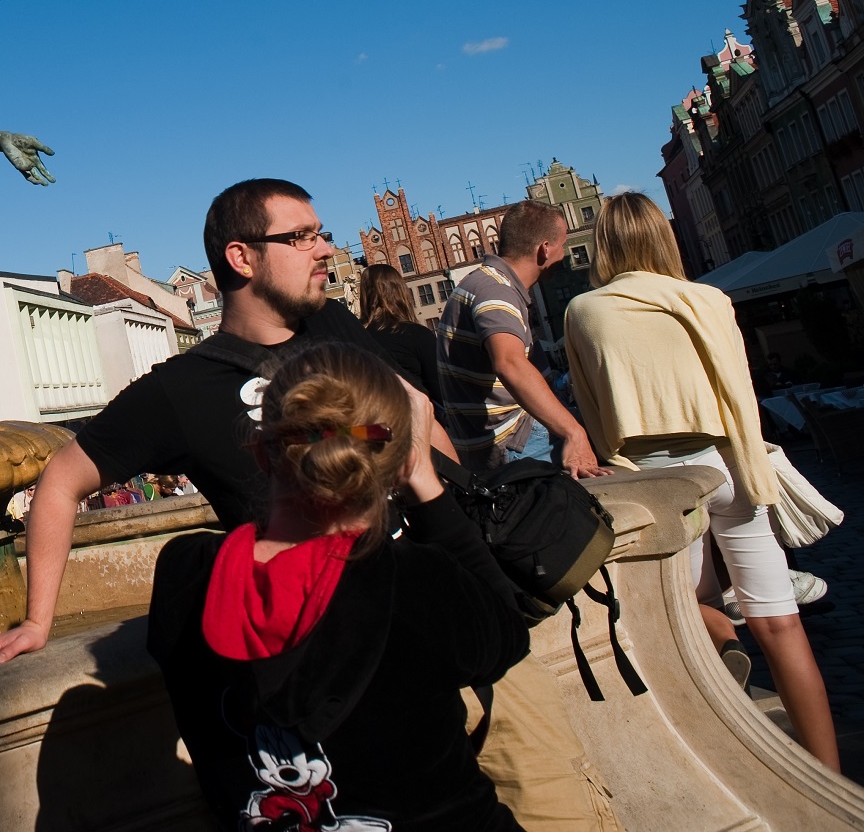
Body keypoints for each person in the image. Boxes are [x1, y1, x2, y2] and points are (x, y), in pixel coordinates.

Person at [0, 178, 622, 831]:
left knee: (551, 796)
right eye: (302, 236)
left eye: (321, 234)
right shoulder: (183, 388)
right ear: (242, 256)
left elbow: (420, 431)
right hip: (329, 668)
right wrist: (39, 619)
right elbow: (61, 480)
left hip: (436, 609)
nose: (324, 248)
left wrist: (447, 495)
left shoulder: (335, 322)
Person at [150, 343, 528, 830]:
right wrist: (427, 485)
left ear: (263, 455)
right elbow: (507, 633)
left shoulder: (186, 576)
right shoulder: (418, 582)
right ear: (393, 464)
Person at [564, 192, 839, 771]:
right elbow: (741, 388)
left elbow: (591, 408)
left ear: (604, 245)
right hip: (726, 462)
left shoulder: (585, 310)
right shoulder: (710, 299)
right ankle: (830, 780)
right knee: (782, 623)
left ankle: (726, 745)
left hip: (654, 477)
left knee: (689, 615)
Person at [437, 200, 610, 479]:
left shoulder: (485, 283)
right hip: (513, 441)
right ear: (544, 249)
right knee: (613, 443)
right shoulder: (495, 291)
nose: (564, 254)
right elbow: (509, 363)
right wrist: (573, 432)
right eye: (563, 244)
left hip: (490, 441)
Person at [358, 262, 442, 401]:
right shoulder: (418, 335)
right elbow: (439, 388)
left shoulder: (356, 335)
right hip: (415, 416)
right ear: (401, 291)